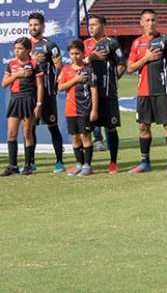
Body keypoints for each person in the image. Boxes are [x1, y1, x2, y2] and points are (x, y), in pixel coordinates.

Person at [126, 9, 167, 175]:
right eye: (147, 20)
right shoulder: (137, 43)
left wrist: (162, 78)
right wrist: (146, 59)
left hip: (161, 91)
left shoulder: (166, 41)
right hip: (143, 92)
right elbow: (130, 68)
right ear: (141, 23)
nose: (151, 23)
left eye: (153, 20)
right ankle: (145, 162)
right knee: (143, 126)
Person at [83, 14, 126, 174]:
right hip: (88, 94)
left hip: (108, 94)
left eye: (94, 24)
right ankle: (86, 164)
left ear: (102, 26)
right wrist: (91, 57)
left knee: (110, 128)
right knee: (86, 129)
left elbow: (122, 64)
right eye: (90, 25)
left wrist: (113, 80)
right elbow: (77, 63)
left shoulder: (112, 43)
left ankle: (113, 162)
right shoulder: (85, 44)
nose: (91, 27)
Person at [28, 12, 65, 173]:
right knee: (30, 128)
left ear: (43, 26)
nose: (33, 28)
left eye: (36, 25)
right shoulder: (24, 44)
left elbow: (59, 67)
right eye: (30, 25)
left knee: (52, 125)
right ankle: (30, 162)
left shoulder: (50, 45)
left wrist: (55, 83)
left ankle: (59, 162)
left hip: (48, 92)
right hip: (29, 93)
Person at [1, 37, 43, 176]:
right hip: (15, 100)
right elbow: (4, 83)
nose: (16, 51)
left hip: (28, 99)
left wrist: (38, 104)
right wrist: (17, 75)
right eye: (15, 48)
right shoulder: (11, 64)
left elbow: (40, 86)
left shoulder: (34, 64)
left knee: (27, 133)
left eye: (20, 49)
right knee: (11, 133)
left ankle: (28, 164)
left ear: (28, 50)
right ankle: (12, 166)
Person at [58, 40, 98, 177]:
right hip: (70, 110)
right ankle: (79, 164)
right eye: (72, 54)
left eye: (77, 53)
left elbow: (94, 90)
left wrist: (94, 110)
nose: (75, 56)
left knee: (85, 137)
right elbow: (60, 87)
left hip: (84, 109)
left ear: (83, 53)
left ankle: (88, 166)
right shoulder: (66, 69)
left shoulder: (88, 70)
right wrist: (75, 79)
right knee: (75, 138)